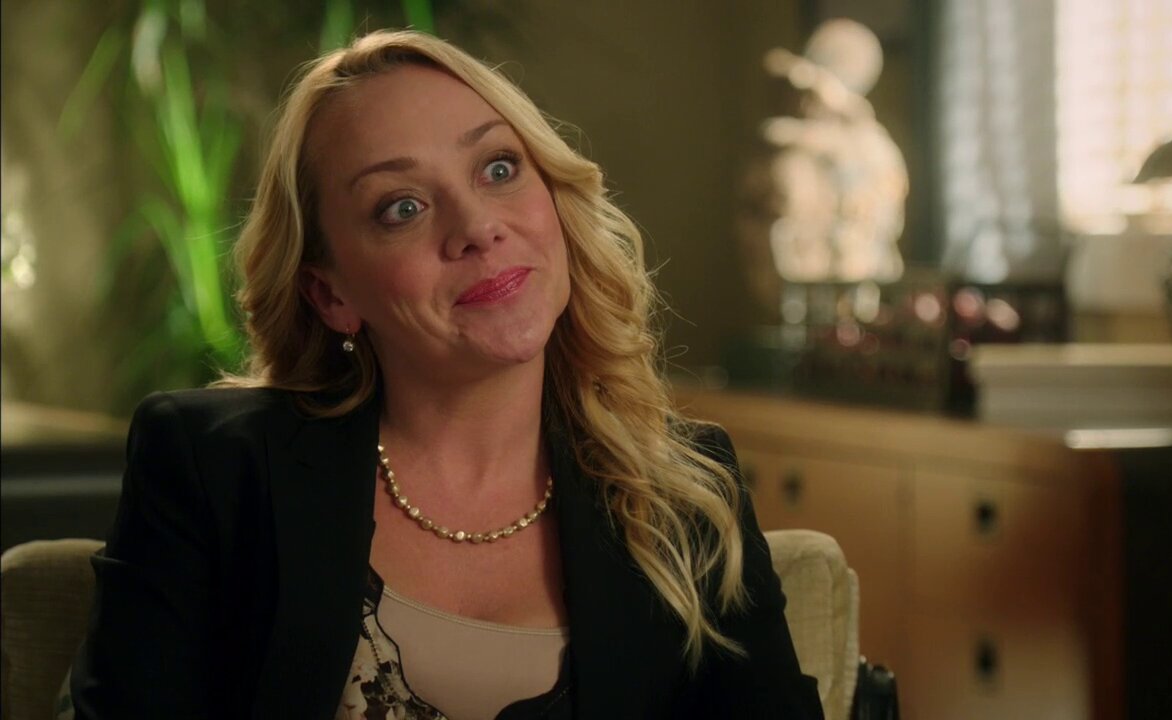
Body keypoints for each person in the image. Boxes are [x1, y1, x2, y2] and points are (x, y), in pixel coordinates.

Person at [70, 29, 822, 719]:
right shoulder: (211, 469)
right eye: (402, 207)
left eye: (498, 168)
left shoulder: (688, 494)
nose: (478, 227)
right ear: (331, 296)